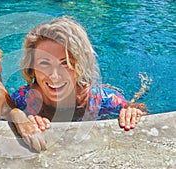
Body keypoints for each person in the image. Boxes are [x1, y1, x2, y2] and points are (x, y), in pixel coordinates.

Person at [10, 16, 147, 131]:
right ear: (32, 68)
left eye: (65, 63)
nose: (55, 75)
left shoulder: (105, 101)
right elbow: (0, 113)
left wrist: (133, 112)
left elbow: (139, 109)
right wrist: (19, 116)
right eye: (44, 64)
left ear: (80, 66)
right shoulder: (23, 99)